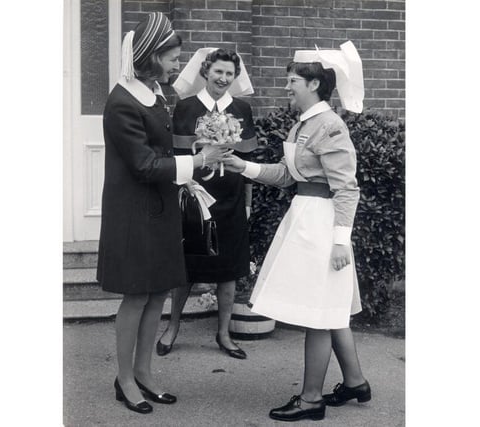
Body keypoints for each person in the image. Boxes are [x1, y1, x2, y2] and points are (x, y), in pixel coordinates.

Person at [222, 41, 371, 422]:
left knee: (318, 313)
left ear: (315, 85)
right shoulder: (304, 123)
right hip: (305, 216)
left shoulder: (330, 126)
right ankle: (354, 381)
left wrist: (340, 242)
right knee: (330, 308)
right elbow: (290, 175)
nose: (287, 87)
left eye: (292, 81)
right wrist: (243, 167)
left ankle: (310, 400)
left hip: (322, 226)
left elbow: (346, 188)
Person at [96, 13, 227, 415]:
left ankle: (145, 373)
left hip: (159, 209)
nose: (177, 65)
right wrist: (195, 162)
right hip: (134, 214)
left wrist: (198, 163)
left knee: (157, 295)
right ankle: (124, 379)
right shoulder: (122, 101)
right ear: (151, 56)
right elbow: (143, 165)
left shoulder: (154, 93)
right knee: (136, 296)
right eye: (172, 57)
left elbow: (163, 156)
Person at [155, 48, 258, 359]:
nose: (223, 79)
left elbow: (250, 158)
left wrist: (249, 203)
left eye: (229, 73)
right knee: (187, 267)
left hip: (232, 198)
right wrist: (183, 194)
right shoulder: (185, 108)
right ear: (205, 73)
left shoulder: (242, 109)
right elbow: (177, 157)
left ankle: (224, 334)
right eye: (218, 72)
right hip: (195, 196)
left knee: (229, 269)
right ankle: (172, 328)